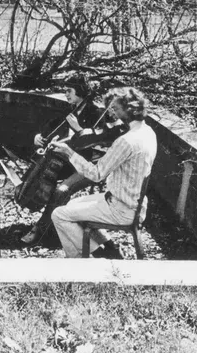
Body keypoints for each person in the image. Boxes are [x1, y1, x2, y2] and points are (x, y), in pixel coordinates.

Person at [49, 87, 157, 258]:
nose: (112, 114)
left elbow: (96, 174)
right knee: (70, 206)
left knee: (59, 215)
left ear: (130, 108)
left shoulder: (126, 141)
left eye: (115, 109)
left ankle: (96, 259)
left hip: (121, 208)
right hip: (134, 203)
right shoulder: (148, 132)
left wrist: (69, 152)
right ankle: (109, 247)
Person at [20, 73, 105, 245]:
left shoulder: (96, 113)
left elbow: (96, 146)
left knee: (62, 190)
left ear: (80, 91)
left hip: (86, 165)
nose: (65, 94)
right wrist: (39, 136)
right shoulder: (71, 109)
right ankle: (54, 219)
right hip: (69, 161)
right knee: (47, 175)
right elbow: (51, 125)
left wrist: (78, 128)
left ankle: (41, 229)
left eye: (69, 91)